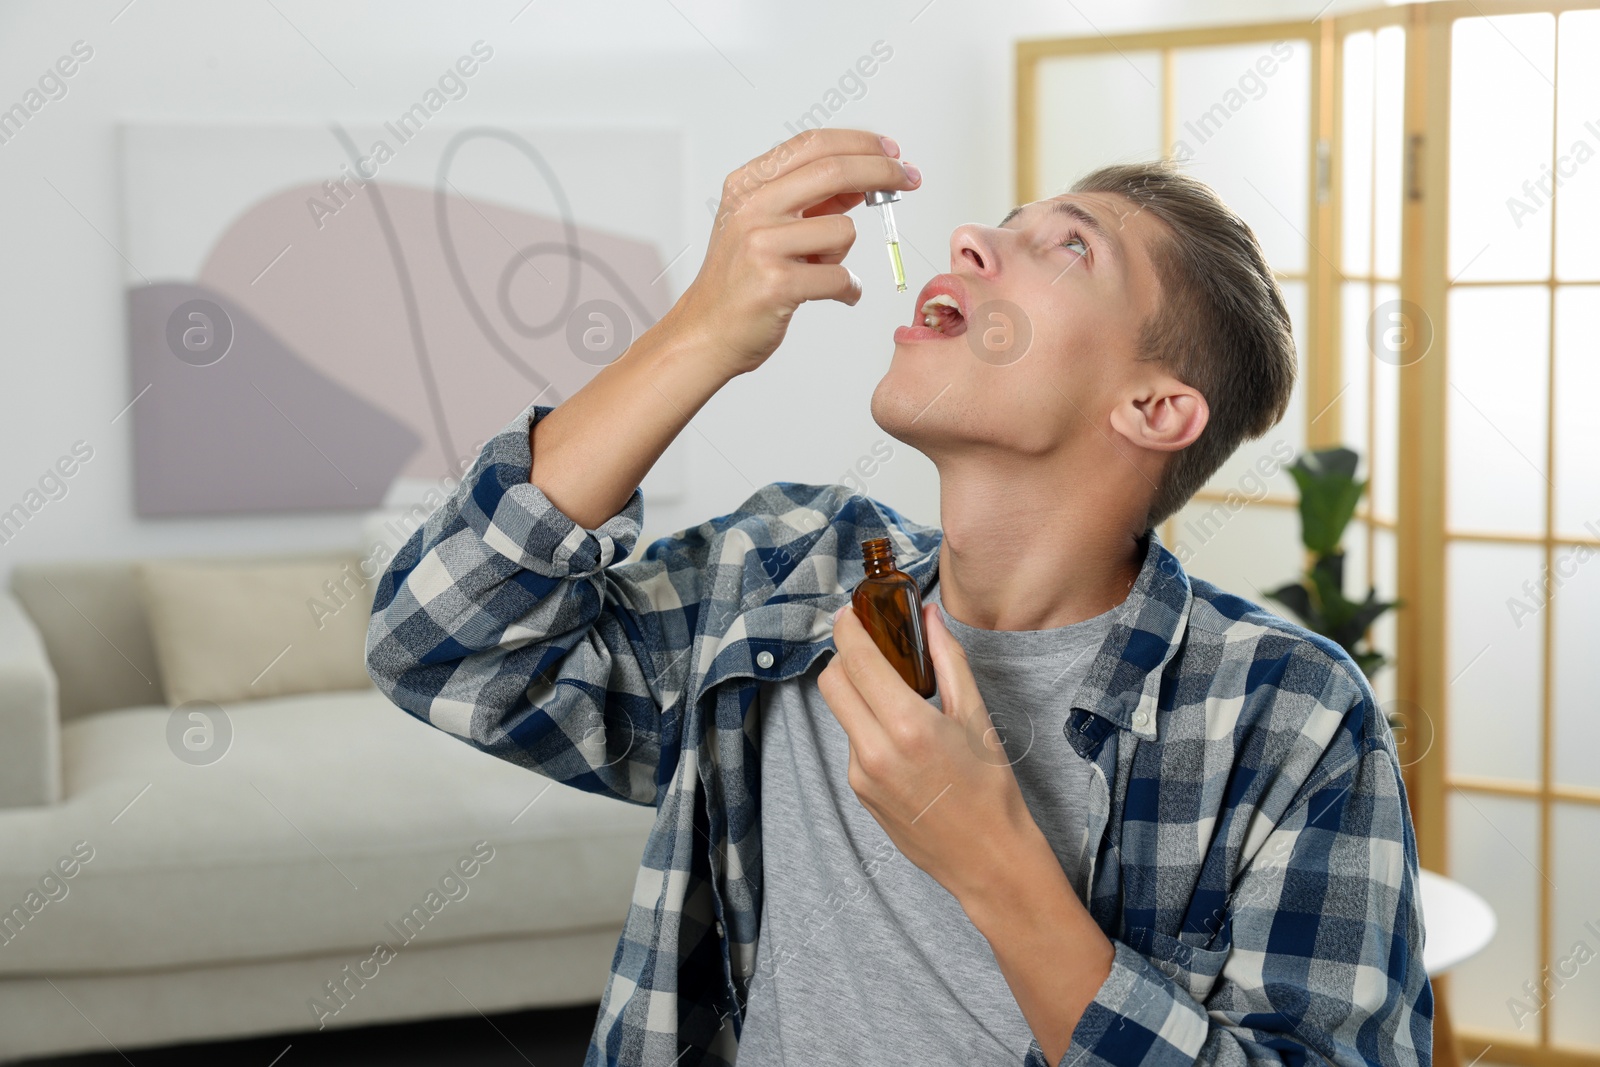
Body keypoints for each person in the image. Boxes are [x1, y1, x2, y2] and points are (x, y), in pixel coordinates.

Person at [365, 127, 1432, 1067]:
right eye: (1000, 225)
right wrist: (698, 331)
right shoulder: (785, 576)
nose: (970, 239)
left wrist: (991, 858)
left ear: (1155, 408)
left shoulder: (1285, 713)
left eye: (1069, 245)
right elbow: (443, 642)